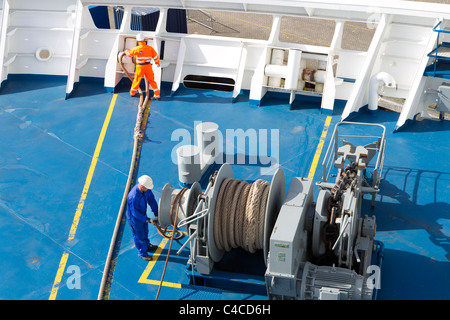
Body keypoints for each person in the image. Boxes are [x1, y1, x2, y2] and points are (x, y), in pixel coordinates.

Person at [126, 175, 159, 261]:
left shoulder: (146, 190)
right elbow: (135, 213)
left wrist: (156, 212)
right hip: (135, 220)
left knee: (145, 231)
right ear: (142, 186)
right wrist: (147, 219)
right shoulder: (133, 197)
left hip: (142, 215)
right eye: (147, 188)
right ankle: (142, 254)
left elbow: (151, 200)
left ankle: (147, 245)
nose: (148, 189)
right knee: (139, 236)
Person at [125, 33, 161, 100]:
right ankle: (157, 95)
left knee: (137, 80)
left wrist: (126, 51)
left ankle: (132, 93)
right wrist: (157, 63)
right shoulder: (150, 48)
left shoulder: (136, 49)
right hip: (148, 66)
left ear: (138, 41)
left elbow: (129, 54)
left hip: (140, 67)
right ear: (144, 40)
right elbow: (156, 56)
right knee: (151, 80)